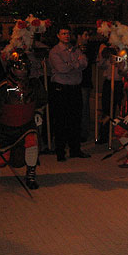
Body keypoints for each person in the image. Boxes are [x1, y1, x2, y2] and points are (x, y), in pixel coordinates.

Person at [0, 50, 47, 189]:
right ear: (11, 68)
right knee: (1, 160)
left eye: (25, 68)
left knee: (32, 142)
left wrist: (38, 113)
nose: (22, 71)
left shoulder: (34, 85)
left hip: (27, 125)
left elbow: (41, 101)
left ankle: (31, 174)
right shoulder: (3, 87)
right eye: (19, 68)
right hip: (6, 128)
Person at [48, 25, 89, 161]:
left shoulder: (75, 49)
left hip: (75, 88)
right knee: (61, 121)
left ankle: (75, 149)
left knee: (75, 120)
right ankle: (60, 151)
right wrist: (75, 64)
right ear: (58, 36)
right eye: (63, 33)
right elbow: (61, 68)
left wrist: (71, 64)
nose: (66, 36)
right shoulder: (54, 52)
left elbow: (84, 63)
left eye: (68, 33)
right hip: (61, 89)